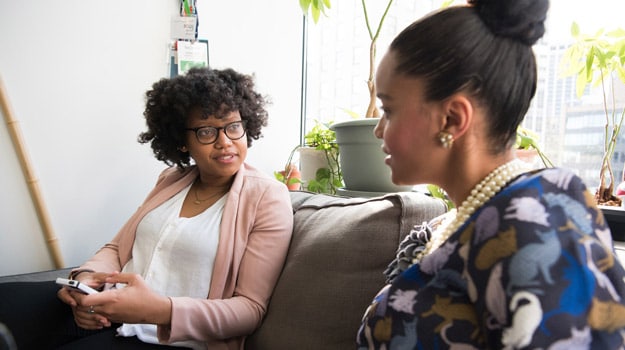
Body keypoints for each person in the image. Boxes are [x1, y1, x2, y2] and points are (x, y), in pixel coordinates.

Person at [357, 0, 625, 348]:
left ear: (452, 119)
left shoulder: (538, 220)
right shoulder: (463, 222)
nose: (379, 130)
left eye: (388, 110)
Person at [0, 67, 293, 349]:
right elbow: (117, 249)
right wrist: (85, 279)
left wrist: (159, 310)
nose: (225, 142)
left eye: (233, 127)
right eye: (206, 132)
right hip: (107, 308)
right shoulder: (171, 180)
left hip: (165, 337)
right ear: (182, 141)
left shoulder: (267, 197)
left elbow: (249, 310)